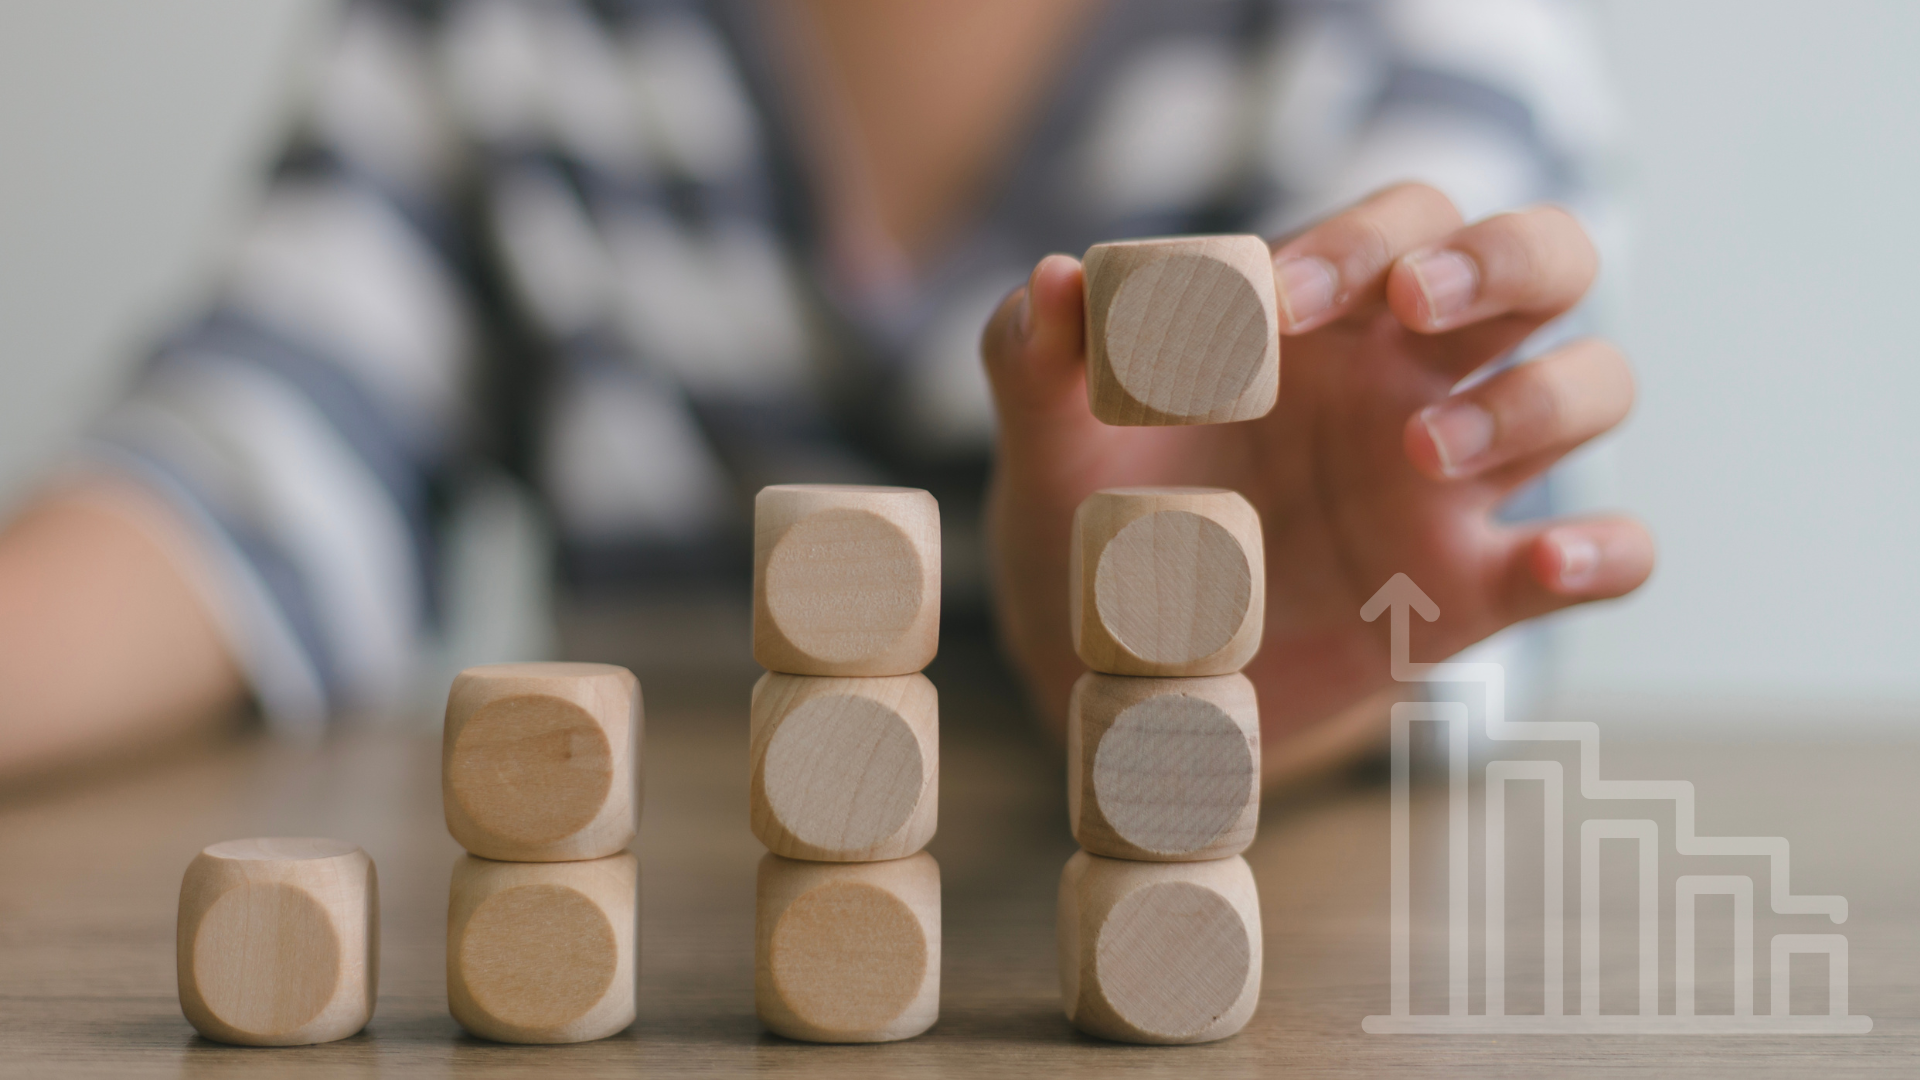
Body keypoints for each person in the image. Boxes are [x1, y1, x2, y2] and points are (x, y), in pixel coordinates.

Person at [0, 0, 1650, 785]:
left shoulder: (1417, 38)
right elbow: (237, 471)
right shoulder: (494, 36)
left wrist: (1178, 668)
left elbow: (1421, 593)